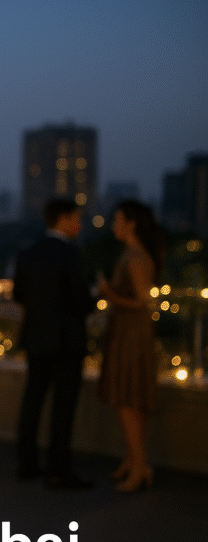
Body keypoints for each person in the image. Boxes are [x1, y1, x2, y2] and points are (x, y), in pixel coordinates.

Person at [13, 199, 96, 489]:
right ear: (64, 219)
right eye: (77, 219)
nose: (79, 224)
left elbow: (19, 294)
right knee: (63, 405)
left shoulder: (29, 252)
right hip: (66, 340)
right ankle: (58, 469)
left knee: (33, 399)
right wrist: (95, 301)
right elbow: (80, 300)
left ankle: (26, 463)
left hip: (36, 338)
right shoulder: (70, 254)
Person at [97, 200, 161, 493]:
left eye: (118, 219)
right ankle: (134, 461)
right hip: (130, 333)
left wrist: (110, 294)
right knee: (130, 400)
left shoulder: (135, 257)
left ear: (131, 223)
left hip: (132, 335)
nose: (114, 225)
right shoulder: (135, 254)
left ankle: (138, 467)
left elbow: (143, 302)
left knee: (128, 400)